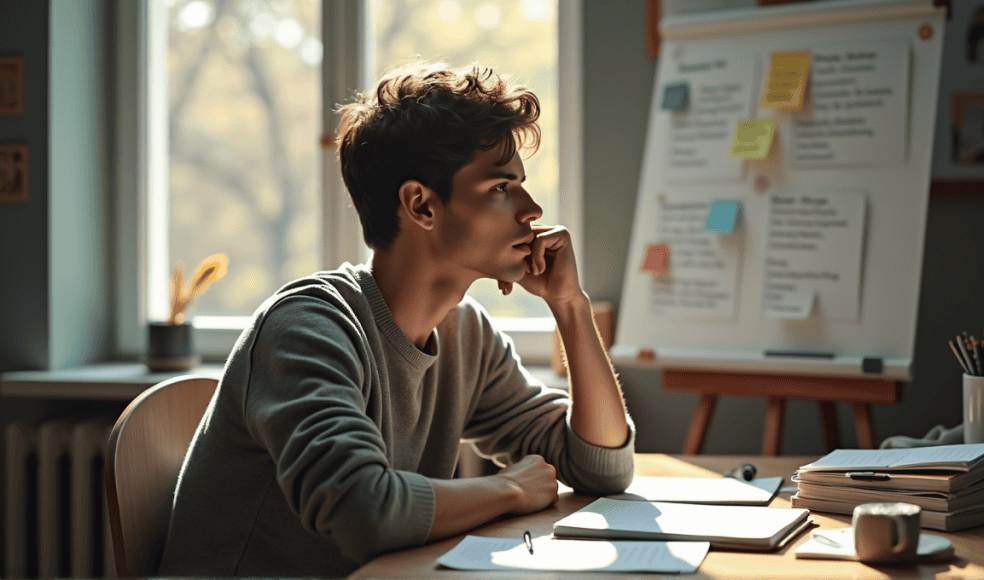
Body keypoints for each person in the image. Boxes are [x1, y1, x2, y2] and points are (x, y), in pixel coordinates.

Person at [157, 61, 635, 577]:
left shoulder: (465, 333)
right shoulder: (308, 327)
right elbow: (366, 511)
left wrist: (571, 307)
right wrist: (511, 489)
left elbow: (601, 466)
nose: (532, 208)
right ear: (421, 206)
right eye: (501, 188)